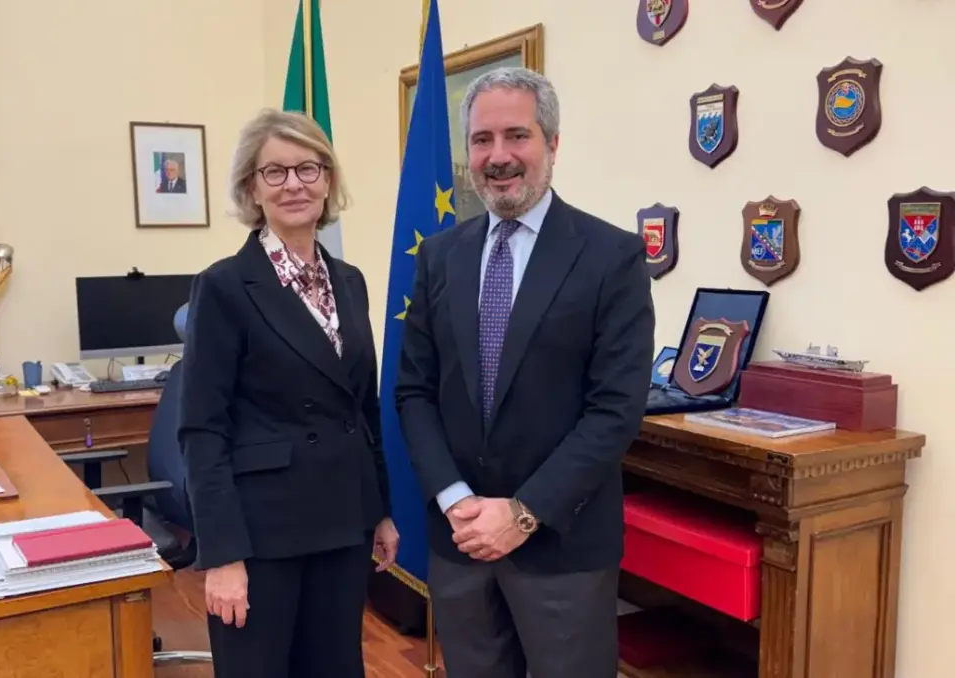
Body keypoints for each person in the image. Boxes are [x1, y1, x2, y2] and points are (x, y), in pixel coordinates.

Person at [394, 66, 654, 678]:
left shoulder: (611, 257)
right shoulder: (439, 257)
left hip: (562, 551)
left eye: (517, 135)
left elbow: (615, 411)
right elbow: (413, 391)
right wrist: (456, 500)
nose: (498, 156)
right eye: (482, 140)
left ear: (553, 143)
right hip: (460, 542)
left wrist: (522, 513)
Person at [178, 108, 399, 678]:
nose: (294, 184)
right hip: (261, 535)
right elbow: (203, 430)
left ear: (328, 179)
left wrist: (379, 510)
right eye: (274, 172)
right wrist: (222, 554)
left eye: (308, 168)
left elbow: (363, 408)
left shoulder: (349, 281)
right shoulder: (224, 286)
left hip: (343, 521)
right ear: (252, 188)